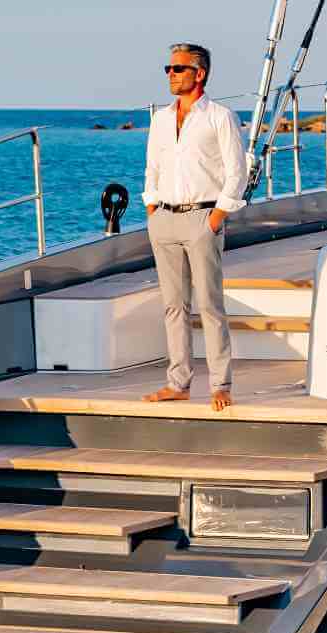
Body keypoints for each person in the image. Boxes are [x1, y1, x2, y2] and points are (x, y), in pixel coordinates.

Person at [140, 42, 246, 412]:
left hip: (203, 217)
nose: (171, 75)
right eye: (168, 69)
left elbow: (237, 174)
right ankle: (178, 383)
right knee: (173, 306)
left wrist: (215, 219)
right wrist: (152, 209)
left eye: (178, 69)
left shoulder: (220, 117)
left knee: (210, 305)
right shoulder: (160, 119)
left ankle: (221, 384)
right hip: (164, 219)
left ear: (199, 74)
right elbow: (152, 170)